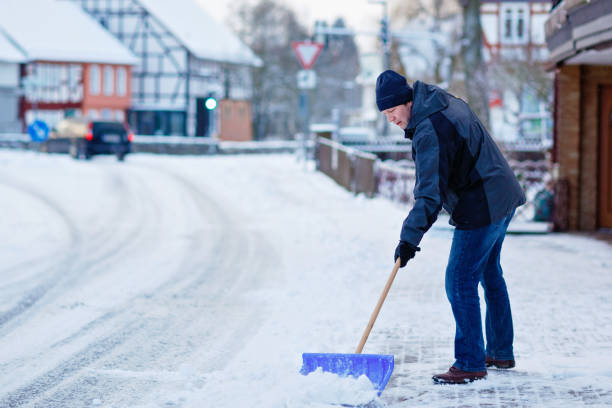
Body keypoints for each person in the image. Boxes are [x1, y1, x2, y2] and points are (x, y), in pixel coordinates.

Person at [376, 70, 526, 384]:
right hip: (500, 192)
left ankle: (471, 362)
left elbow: (430, 193)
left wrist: (409, 239)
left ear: (407, 102)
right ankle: (499, 350)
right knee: (488, 273)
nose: (390, 119)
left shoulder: (429, 127)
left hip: (483, 202)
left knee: (459, 280)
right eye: (385, 114)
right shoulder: (438, 102)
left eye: (392, 111)